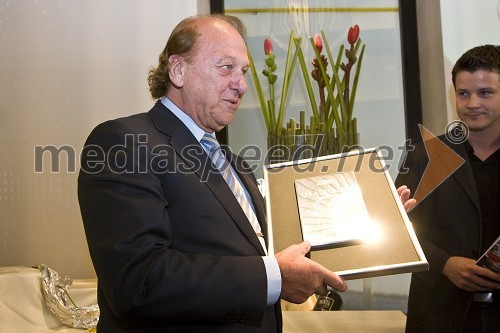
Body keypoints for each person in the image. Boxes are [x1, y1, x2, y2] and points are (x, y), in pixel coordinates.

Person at [78, 14, 414, 332]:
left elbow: (273, 251)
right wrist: (274, 278)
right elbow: (137, 281)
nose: (241, 85)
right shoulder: (123, 142)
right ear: (178, 70)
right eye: (226, 68)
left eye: (244, 72)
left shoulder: (234, 163)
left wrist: (375, 217)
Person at [396, 44, 500, 333]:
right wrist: (444, 264)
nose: (472, 103)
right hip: (439, 315)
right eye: (463, 93)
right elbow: (396, 229)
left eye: (485, 93)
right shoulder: (422, 155)